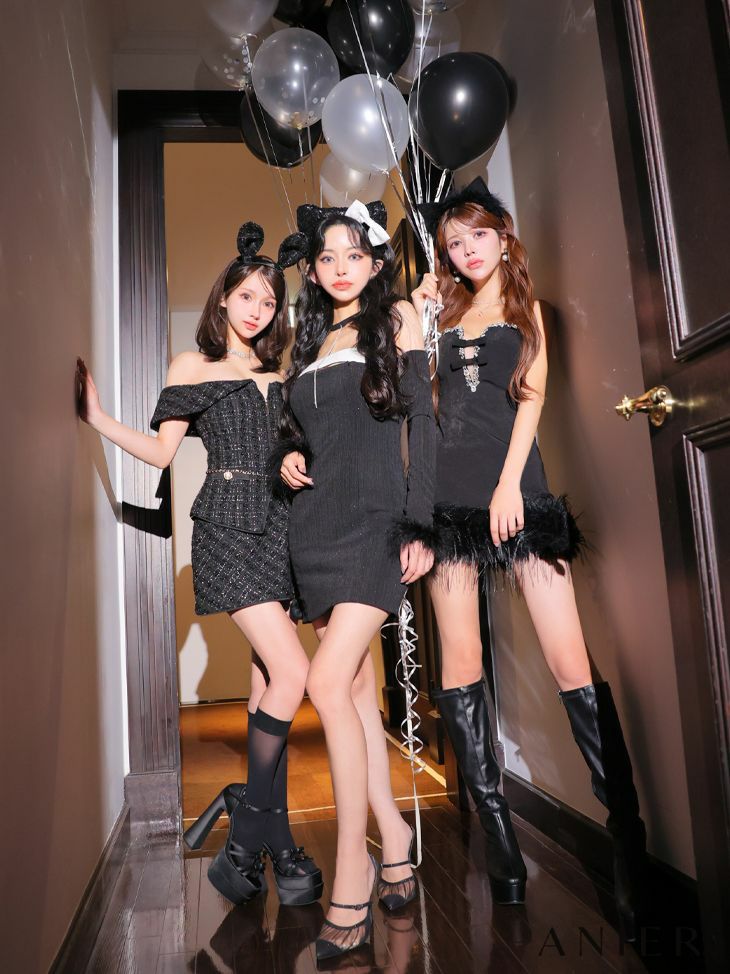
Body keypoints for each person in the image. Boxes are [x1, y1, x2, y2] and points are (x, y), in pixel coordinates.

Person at [413, 178, 647, 939]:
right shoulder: (437, 315)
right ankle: (503, 845)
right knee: (460, 664)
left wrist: (511, 482)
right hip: (448, 500)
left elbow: (532, 398)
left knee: (568, 660)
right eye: (453, 243)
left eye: (477, 236)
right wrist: (417, 317)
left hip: (518, 490)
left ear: (504, 234)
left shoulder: (526, 309)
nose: (466, 251)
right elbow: (416, 406)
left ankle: (627, 842)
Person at [77, 223, 323, 908]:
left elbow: (295, 448)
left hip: (281, 529)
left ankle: (262, 844)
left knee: (268, 682)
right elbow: (163, 454)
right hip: (226, 528)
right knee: (294, 673)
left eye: (269, 302)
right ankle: (251, 835)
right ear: (222, 300)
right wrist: (98, 418)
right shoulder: (193, 366)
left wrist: (296, 459)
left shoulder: (281, 375)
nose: (257, 310)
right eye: (246, 297)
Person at [276, 200, 436, 961]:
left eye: (353, 254)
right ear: (313, 271)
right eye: (326, 257)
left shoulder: (397, 319)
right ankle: (396, 840)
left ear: (375, 264)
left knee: (326, 683)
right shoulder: (305, 342)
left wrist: (422, 523)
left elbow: (422, 423)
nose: (340, 267)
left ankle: (353, 868)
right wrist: (285, 454)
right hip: (314, 527)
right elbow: (303, 429)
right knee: (357, 694)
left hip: (375, 520)